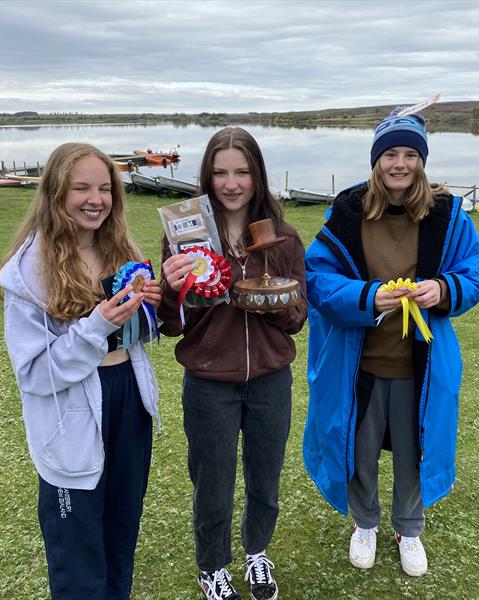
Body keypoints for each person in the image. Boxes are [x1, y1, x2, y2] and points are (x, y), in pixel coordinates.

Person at [302, 107, 479, 577]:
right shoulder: (347, 211)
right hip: (358, 362)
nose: (400, 163)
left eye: (410, 154)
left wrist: (443, 289)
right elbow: (318, 281)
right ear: (376, 160)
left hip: (419, 366)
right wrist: (371, 297)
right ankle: (363, 522)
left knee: (415, 449)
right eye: (390, 154)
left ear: (422, 160)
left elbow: (473, 271)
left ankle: (409, 527)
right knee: (357, 447)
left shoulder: (448, 215)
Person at [0, 142, 161, 599]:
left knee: (121, 529)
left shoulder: (119, 248)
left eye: (105, 188)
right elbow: (33, 373)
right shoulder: (28, 271)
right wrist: (99, 324)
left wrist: (155, 310)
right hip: (70, 415)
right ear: (55, 192)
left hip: (128, 399)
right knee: (78, 548)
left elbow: (137, 336)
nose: (96, 199)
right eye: (81, 187)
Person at [159, 127, 307, 600]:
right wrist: (168, 287)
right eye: (220, 172)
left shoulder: (283, 237)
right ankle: (212, 567)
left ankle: (257, 553)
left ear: (257, 176)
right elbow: (171, 324)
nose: (231, 183)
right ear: (207, 176)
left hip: (270, 380)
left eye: (242, 171)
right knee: (213, 484)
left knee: (266, 480)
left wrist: (271, 300)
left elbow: (297, 318)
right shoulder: (185, 235)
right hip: (208, 384)